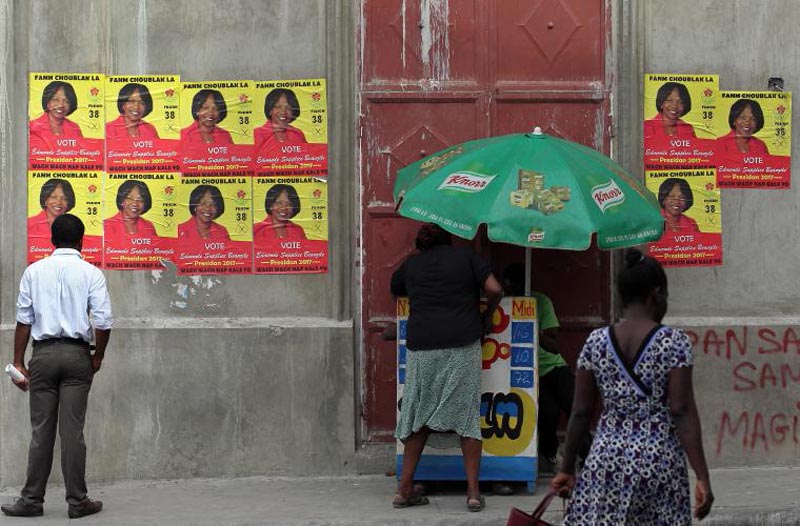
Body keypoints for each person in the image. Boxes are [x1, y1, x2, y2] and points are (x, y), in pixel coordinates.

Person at [552, 248, 714, 525]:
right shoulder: (674, 342)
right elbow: (681, 410)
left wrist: (567, 469)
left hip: (606, 459)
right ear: (655, 294)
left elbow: (580, 411)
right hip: (658, 461)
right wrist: (702, 476)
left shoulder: (596, 341)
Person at [2, 214, 112, 519]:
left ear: (52, 240)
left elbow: (24, 320)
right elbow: (102, 322)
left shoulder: (34, 272)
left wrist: (18, 362)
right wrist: (97, 357)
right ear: (81, 241)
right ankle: (78, 502)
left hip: (44, 356)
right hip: (78, 356)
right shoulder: (92, 273)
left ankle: (31, 500)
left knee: (41, 431)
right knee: (72, 432)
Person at [390, 223, 503, 512]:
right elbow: (494, 288)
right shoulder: (466, 258)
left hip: (422, 346)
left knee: (418, 417)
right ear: (449, 239)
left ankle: (404, 491)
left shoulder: (412, 264)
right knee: (466, 417)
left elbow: (396, 288)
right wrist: (487, 314)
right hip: (462, 344)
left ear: (421, 244)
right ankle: (473, 494)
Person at [488, 264, 591, 496]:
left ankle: (589, 455)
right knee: (547, 412)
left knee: (573, 403)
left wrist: (531, 326)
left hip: (552, 366)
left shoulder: (540, 302)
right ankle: (551, 454)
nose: (511, 289)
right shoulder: (498, 304)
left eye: (516, 285)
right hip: (521, 370)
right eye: (508, 285)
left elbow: (554, 347)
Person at [28, 178, 76, 244]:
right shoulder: (28, 225)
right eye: (53, 197)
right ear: (45, 199)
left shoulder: (74, 227)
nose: (58, 202)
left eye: (64, 199)